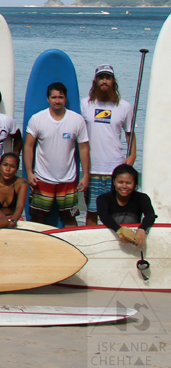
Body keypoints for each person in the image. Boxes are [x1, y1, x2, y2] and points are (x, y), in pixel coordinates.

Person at [25, 82, 90, 227]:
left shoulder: (77, 120)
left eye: (61, 97)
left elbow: (84, 149)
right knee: (36, 220)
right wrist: (29, 173)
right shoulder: (37, 119)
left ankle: (73, 246)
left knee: (70, 219)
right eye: (54, 97)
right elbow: (28, 147)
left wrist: (85, 176)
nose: (57, 100)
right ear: (48, 99)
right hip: (42, 179)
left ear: (65, 98)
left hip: (68, 180)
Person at [83, 65, 137, 226]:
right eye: (101, 78)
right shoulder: (85, 104)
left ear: (113, 81)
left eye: (108, 78)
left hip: (115, 169)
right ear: (95, 81)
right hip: (92, 169)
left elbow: (130, 133)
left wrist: (133, 155)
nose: (104, 81)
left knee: (115, 212)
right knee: (92, 211)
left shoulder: (124, 106)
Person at [96, 164, 156, 248]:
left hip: (133, 241)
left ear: (134, 183)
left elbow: (150, 215)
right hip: (111, 239)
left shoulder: (142, 198)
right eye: (120, 182)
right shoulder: (103, 199)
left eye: (129, 183)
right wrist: (119, 230)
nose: (124, 186)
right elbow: (104, 216)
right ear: (114, 182)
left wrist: (142, 229)